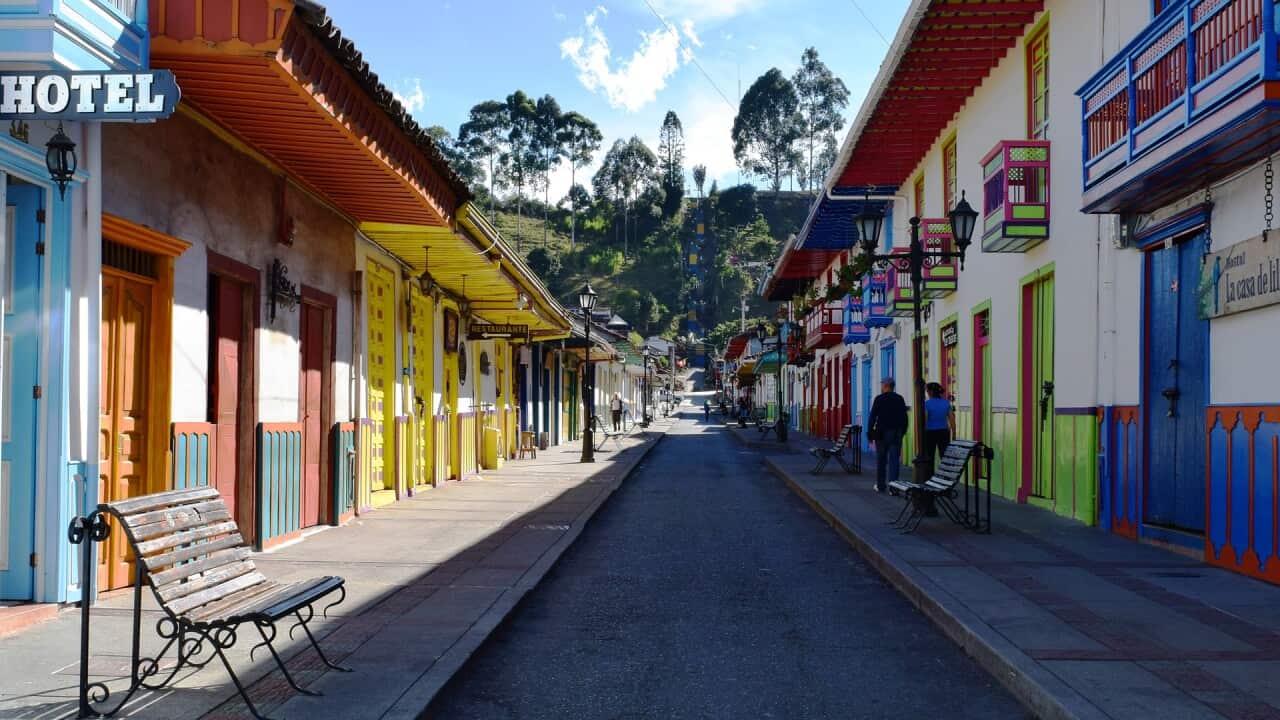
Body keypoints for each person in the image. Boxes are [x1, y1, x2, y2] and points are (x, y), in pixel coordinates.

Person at [867, 377, 908, 493]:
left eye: (882, 385)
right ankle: (893, 489)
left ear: (885, 386)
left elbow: (872, 417)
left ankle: (881, 486)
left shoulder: (879, 399)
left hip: (881, 433)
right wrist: (902, 432)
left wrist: (870, 433)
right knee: (894, 460)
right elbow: (905, 417)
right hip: (896, 432)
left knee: (881, 460)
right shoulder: (899, 398)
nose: (881, 387)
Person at [922, 382, 956, 476]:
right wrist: (954, 432)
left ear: (930, 392)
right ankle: (946, 476)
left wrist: (923, 432)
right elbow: (951, 418)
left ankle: (929, 476)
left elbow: (925, 419)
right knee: (944, 456)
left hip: (930, 432)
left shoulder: (927, 404)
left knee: (930, 456)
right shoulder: (946, 403)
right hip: (944, 432)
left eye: (927, 391)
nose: (927, 393)